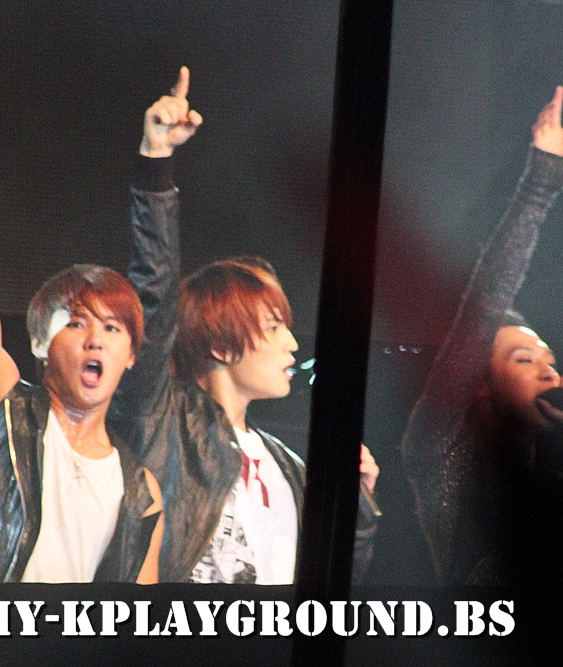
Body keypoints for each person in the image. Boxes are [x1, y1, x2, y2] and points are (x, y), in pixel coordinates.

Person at [0, 42, 162, 583]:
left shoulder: (141, 490)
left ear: (132, 355)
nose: (95, 339)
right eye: (76, 322)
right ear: (39, 341)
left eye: (112, 328)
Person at [108, 68, 380, 584]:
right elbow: (153, 297)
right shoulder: (162, 424)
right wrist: (156, 163)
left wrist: (357, 506)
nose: (293, 344)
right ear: (221, 342)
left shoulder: (289, 464)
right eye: (274, 327)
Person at [401, 87, 563, 586]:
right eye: (522, 360)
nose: (548, 371)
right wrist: (538, 189)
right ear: (476, 383)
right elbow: (481, 309)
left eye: (549, 360)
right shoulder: (437, 449)